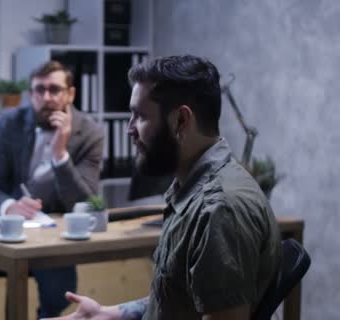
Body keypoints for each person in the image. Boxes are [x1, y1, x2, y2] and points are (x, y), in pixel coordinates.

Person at [44, 55, 282, 320]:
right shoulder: (190, 190)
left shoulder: (220, 209)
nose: (129, 129)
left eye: (140, 116)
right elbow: (180, 300)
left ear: (181, 121)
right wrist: (108, 314)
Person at [0, 60, 104, 319]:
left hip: (51, 238)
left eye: (54, 89)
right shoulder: (9, 122)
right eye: (39, 90)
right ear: (30, 94)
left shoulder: (90, 133)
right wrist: (9, 206)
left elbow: (84, 203)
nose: (46, 97)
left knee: (60, 291)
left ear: (70, 94)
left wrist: (60, 154)